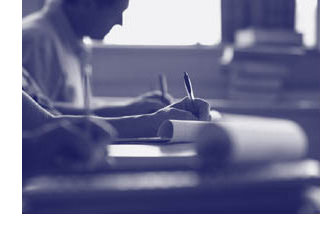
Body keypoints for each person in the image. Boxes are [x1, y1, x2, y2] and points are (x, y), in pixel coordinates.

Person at [23, 0, 171, 116]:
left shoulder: (71, 40)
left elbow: (80, 106)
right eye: (116, 12)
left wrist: (135, 106)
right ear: (87, 3)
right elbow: (39, 115)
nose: (120, 22)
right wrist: (127, 111)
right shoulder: (36, 41)